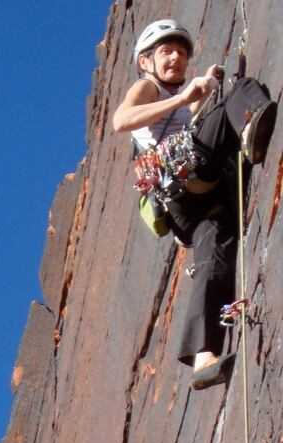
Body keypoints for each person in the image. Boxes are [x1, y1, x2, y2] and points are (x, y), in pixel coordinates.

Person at [113, 19, 277, 390]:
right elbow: (120, 120)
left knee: (213, 261)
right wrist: (187, 97)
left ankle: (204, 357)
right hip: (187, 180)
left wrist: (200, 94)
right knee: (241, 92)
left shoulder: (178, 97)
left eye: (182, 52)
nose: (176, 57)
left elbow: (187, 124)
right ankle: (251, 129)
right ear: (145, 61)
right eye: (166, 51)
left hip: (189, 211)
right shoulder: (147, 87)